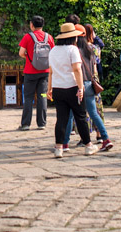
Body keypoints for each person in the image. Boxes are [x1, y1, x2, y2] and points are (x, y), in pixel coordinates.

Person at [49, 23, 97, 157]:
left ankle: (58, 147)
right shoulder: (73, 49)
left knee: (61, 118)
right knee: (81, 117)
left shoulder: (53, 50)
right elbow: (77, 69)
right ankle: (88, 145)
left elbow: (51, 71)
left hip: (58, 88)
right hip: (72, 87)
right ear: (72, 37)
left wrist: (49, 88)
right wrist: (80, 88)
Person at [18, 15, 54, 130]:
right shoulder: (49, 37)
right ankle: (42, 123)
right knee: (42, 95)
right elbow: (52, 53)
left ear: (31, 24)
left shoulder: (27, 37)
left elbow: (21, 53)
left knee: (28, 97)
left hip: (30, 72)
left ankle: (26, 124)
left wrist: (30, 59)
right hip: (45, 72)